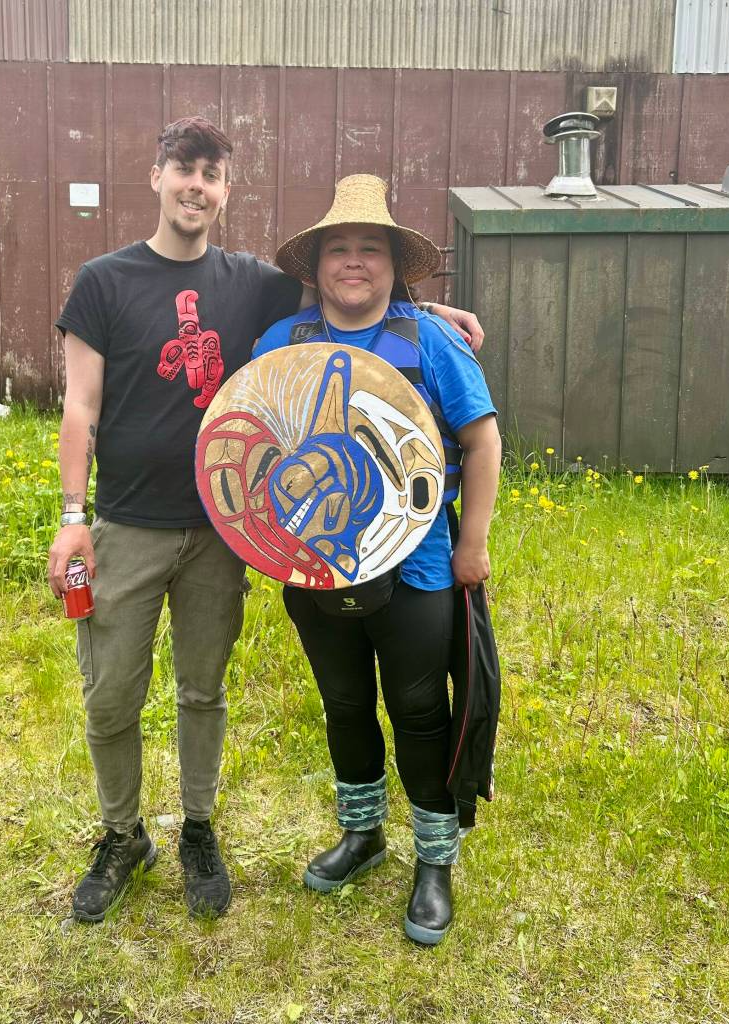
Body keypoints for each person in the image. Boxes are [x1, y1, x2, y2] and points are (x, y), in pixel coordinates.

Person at [46, 118, 485, 924]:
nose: (195, 185)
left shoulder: (251, 281)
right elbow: (80, 405)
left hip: (267, 539)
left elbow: (371, 309)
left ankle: (211, 833)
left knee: (220, 693)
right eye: (182, 168)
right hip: (141, 525)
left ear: (224, 189)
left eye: (210, 173)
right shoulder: (111, 284)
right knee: (123, 695)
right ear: (155, 175)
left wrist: (433, 311)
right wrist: (73, 516)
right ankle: (125, 836)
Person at [253, 174, 501, 945]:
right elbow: (251, 445)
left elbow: (481, 438)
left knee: (419, 710)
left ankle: (434, 861)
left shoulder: (428, 341)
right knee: (345, 705)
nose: (353, 263)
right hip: (314, 568)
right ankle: (362, 836)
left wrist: (473, 543)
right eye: (338, 250)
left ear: (394, 265)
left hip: (418, 567)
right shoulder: (281, 348)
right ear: (316, 265)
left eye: (370, 249)